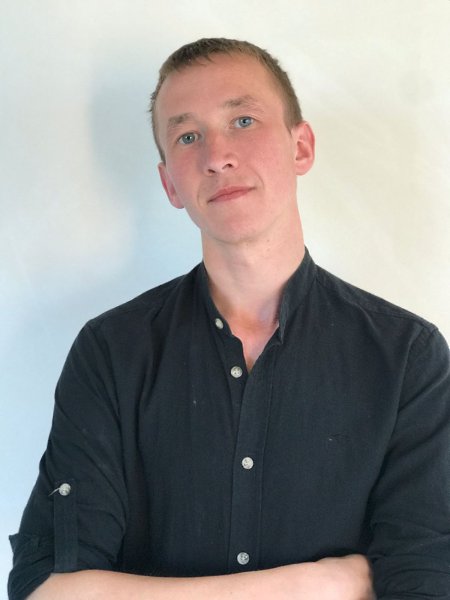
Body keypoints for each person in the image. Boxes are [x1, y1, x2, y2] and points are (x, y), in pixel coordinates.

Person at [8, 38, 450, 600]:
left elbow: (425, 581)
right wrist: (322, 582)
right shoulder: (111, 351)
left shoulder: (407, 355)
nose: (217, 156)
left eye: (243, 121)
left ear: (301, 147)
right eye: (188, 136)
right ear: (170, 184)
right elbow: (45, 589)